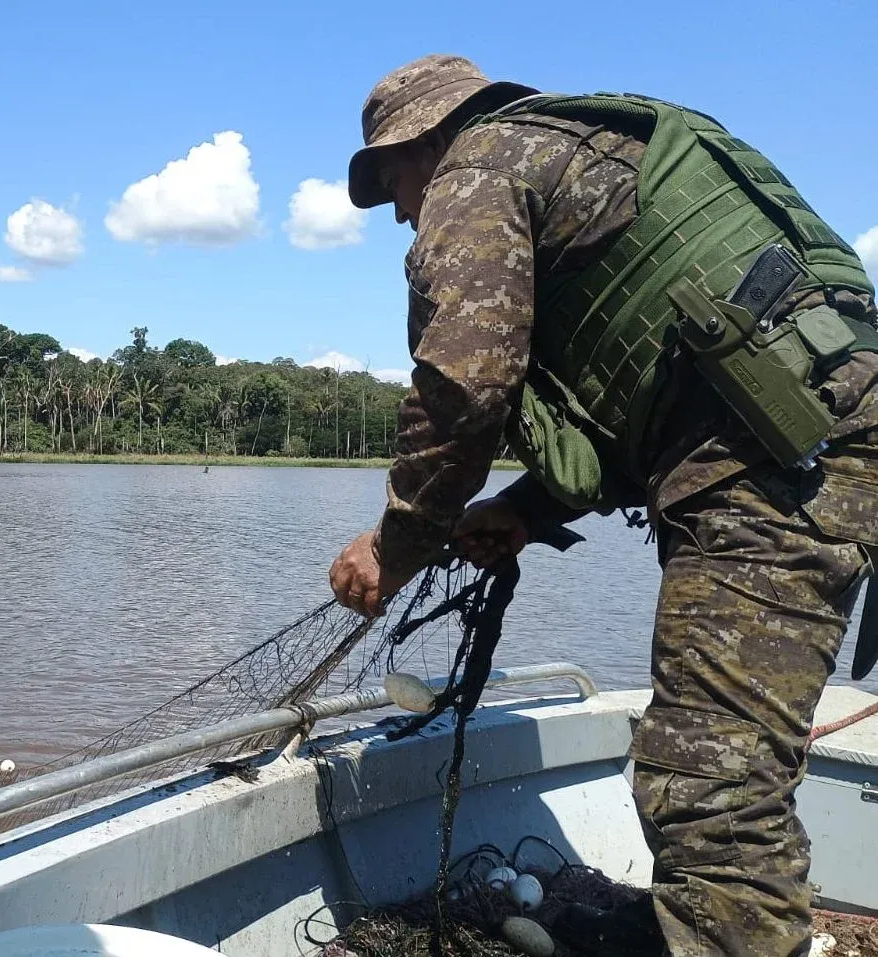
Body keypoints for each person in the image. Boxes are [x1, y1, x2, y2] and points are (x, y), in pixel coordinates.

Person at [327, 54, 878, 957]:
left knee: (708, 777)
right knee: (714, 753)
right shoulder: (587, 149)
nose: (395, 207)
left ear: (427, 138)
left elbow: (464, 384)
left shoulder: (477, 165)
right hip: (799, 449)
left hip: (775, 472)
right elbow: (665, 386)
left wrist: (397, 543)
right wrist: (527, 505)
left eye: (388, 177)